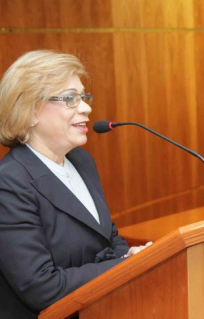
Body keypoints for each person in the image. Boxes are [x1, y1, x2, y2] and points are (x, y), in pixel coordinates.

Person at [0, 50, 151, 318]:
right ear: (31, 111)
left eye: (83, 96)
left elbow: (108, 236)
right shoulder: (9, 183)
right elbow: (41, 287)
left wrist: (128, 256)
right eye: (70, 98)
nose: (86, 107)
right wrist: (124, 265)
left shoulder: (80, 161)